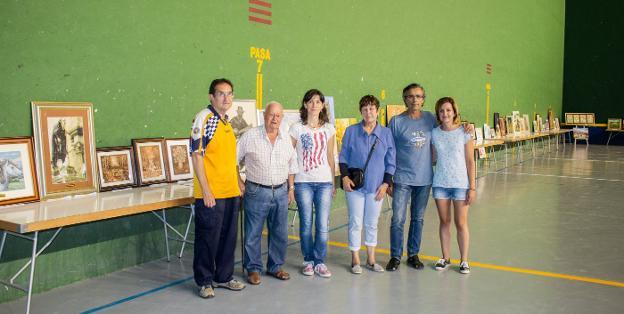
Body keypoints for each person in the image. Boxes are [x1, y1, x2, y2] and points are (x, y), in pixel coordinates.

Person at [386, 83, 474, 271]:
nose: (414, 100)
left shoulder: (430, 119)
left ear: (423, 99)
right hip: (401, 179)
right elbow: (389, 151)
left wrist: (466, 125)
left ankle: (413, 255)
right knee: (398, 220)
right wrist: (388, 179)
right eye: (410, 96)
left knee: (418, 219)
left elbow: (450, 125)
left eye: (418, 96)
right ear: (404, 99)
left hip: (425, 179)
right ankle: (395, 256)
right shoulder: (396, 122)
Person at [189, 78, 246, 299]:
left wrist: (238, 181)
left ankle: (223, 278)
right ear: (211, 97)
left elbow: (229, 158)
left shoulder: (226, 122)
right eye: (221, 94)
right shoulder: (205, 118)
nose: (226, 98)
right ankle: (204, 282)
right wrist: (206, 190)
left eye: (229, 93)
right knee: (207, 239)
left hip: (230, 191)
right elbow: (196, 155)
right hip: (211, 194)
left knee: (228, 239)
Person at [237, 101, 298, 285]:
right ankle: (253, 269)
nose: (274, 119)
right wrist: (238, 180)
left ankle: (275, 267)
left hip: (280, 191)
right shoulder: (250, 136)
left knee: (280, 232)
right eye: (271, 115)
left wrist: (291, 188)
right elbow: (234, 157)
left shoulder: (286, 138)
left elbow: (291, 165)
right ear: (264, 116)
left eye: (278, 116)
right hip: (256, 191)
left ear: (282, 118)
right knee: (253, 233)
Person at [339, 95, 395, 274]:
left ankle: (371, 259)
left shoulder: (386, 134)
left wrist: (386, 184)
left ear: (377, 111)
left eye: (372, 108)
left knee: (372, 223)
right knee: (355, 222)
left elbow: (391, 161)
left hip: (376, 187)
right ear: (360, 112)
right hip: (355, 187)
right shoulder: (351, 131)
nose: (368, 112)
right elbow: (343, 157)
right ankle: (355, 259)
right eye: (365, 109)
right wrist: (345, 177)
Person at [290, 89, 336, 278]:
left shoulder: (329, 129)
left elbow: (331, 157)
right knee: (306, 223)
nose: (314, 105)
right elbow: (290, 157)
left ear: (323, 105)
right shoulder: (296, 128)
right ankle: (308, 260)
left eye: (318, 101)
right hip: (303, 183)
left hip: (324, 182)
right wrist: (291, 185)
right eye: (311, 101)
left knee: (322, 224)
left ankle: (319, 262)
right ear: (305, 104)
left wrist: (333, 182)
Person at [431, 97, 476, 274]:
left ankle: (464, 260)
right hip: (440, 183)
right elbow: (433, 157)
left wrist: (472, 187)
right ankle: (445, 257)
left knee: (461, 223)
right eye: (442, 110)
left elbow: (471, 161)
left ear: (455, 111)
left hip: (460, 184)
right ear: (438, 114)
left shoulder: (465, 132)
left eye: (448, 110)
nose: (445, 113)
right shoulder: (434, 133)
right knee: (444, 221)